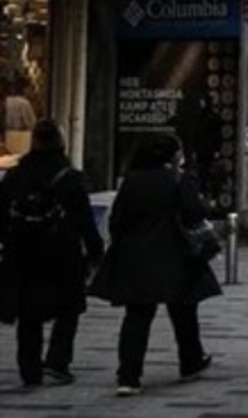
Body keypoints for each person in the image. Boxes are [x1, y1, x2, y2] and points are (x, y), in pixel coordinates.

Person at [88, 134, 217, 396]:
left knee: (137, 316)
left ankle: (128, 375)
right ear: (172, 155)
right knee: (184, 311)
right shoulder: (179, 179)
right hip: (175, 253)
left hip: (136, 255)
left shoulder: (132, 181)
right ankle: (190, 360)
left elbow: (118, 219)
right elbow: (194, 211)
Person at [0, 121, 103, 388]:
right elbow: (85, 220)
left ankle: (30, 369)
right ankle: (58, 361)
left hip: (22, 252)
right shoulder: (71, 177)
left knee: (27, 313)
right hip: (61, 252)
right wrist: (95, 251)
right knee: (69, 307)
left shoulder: (15, 175)